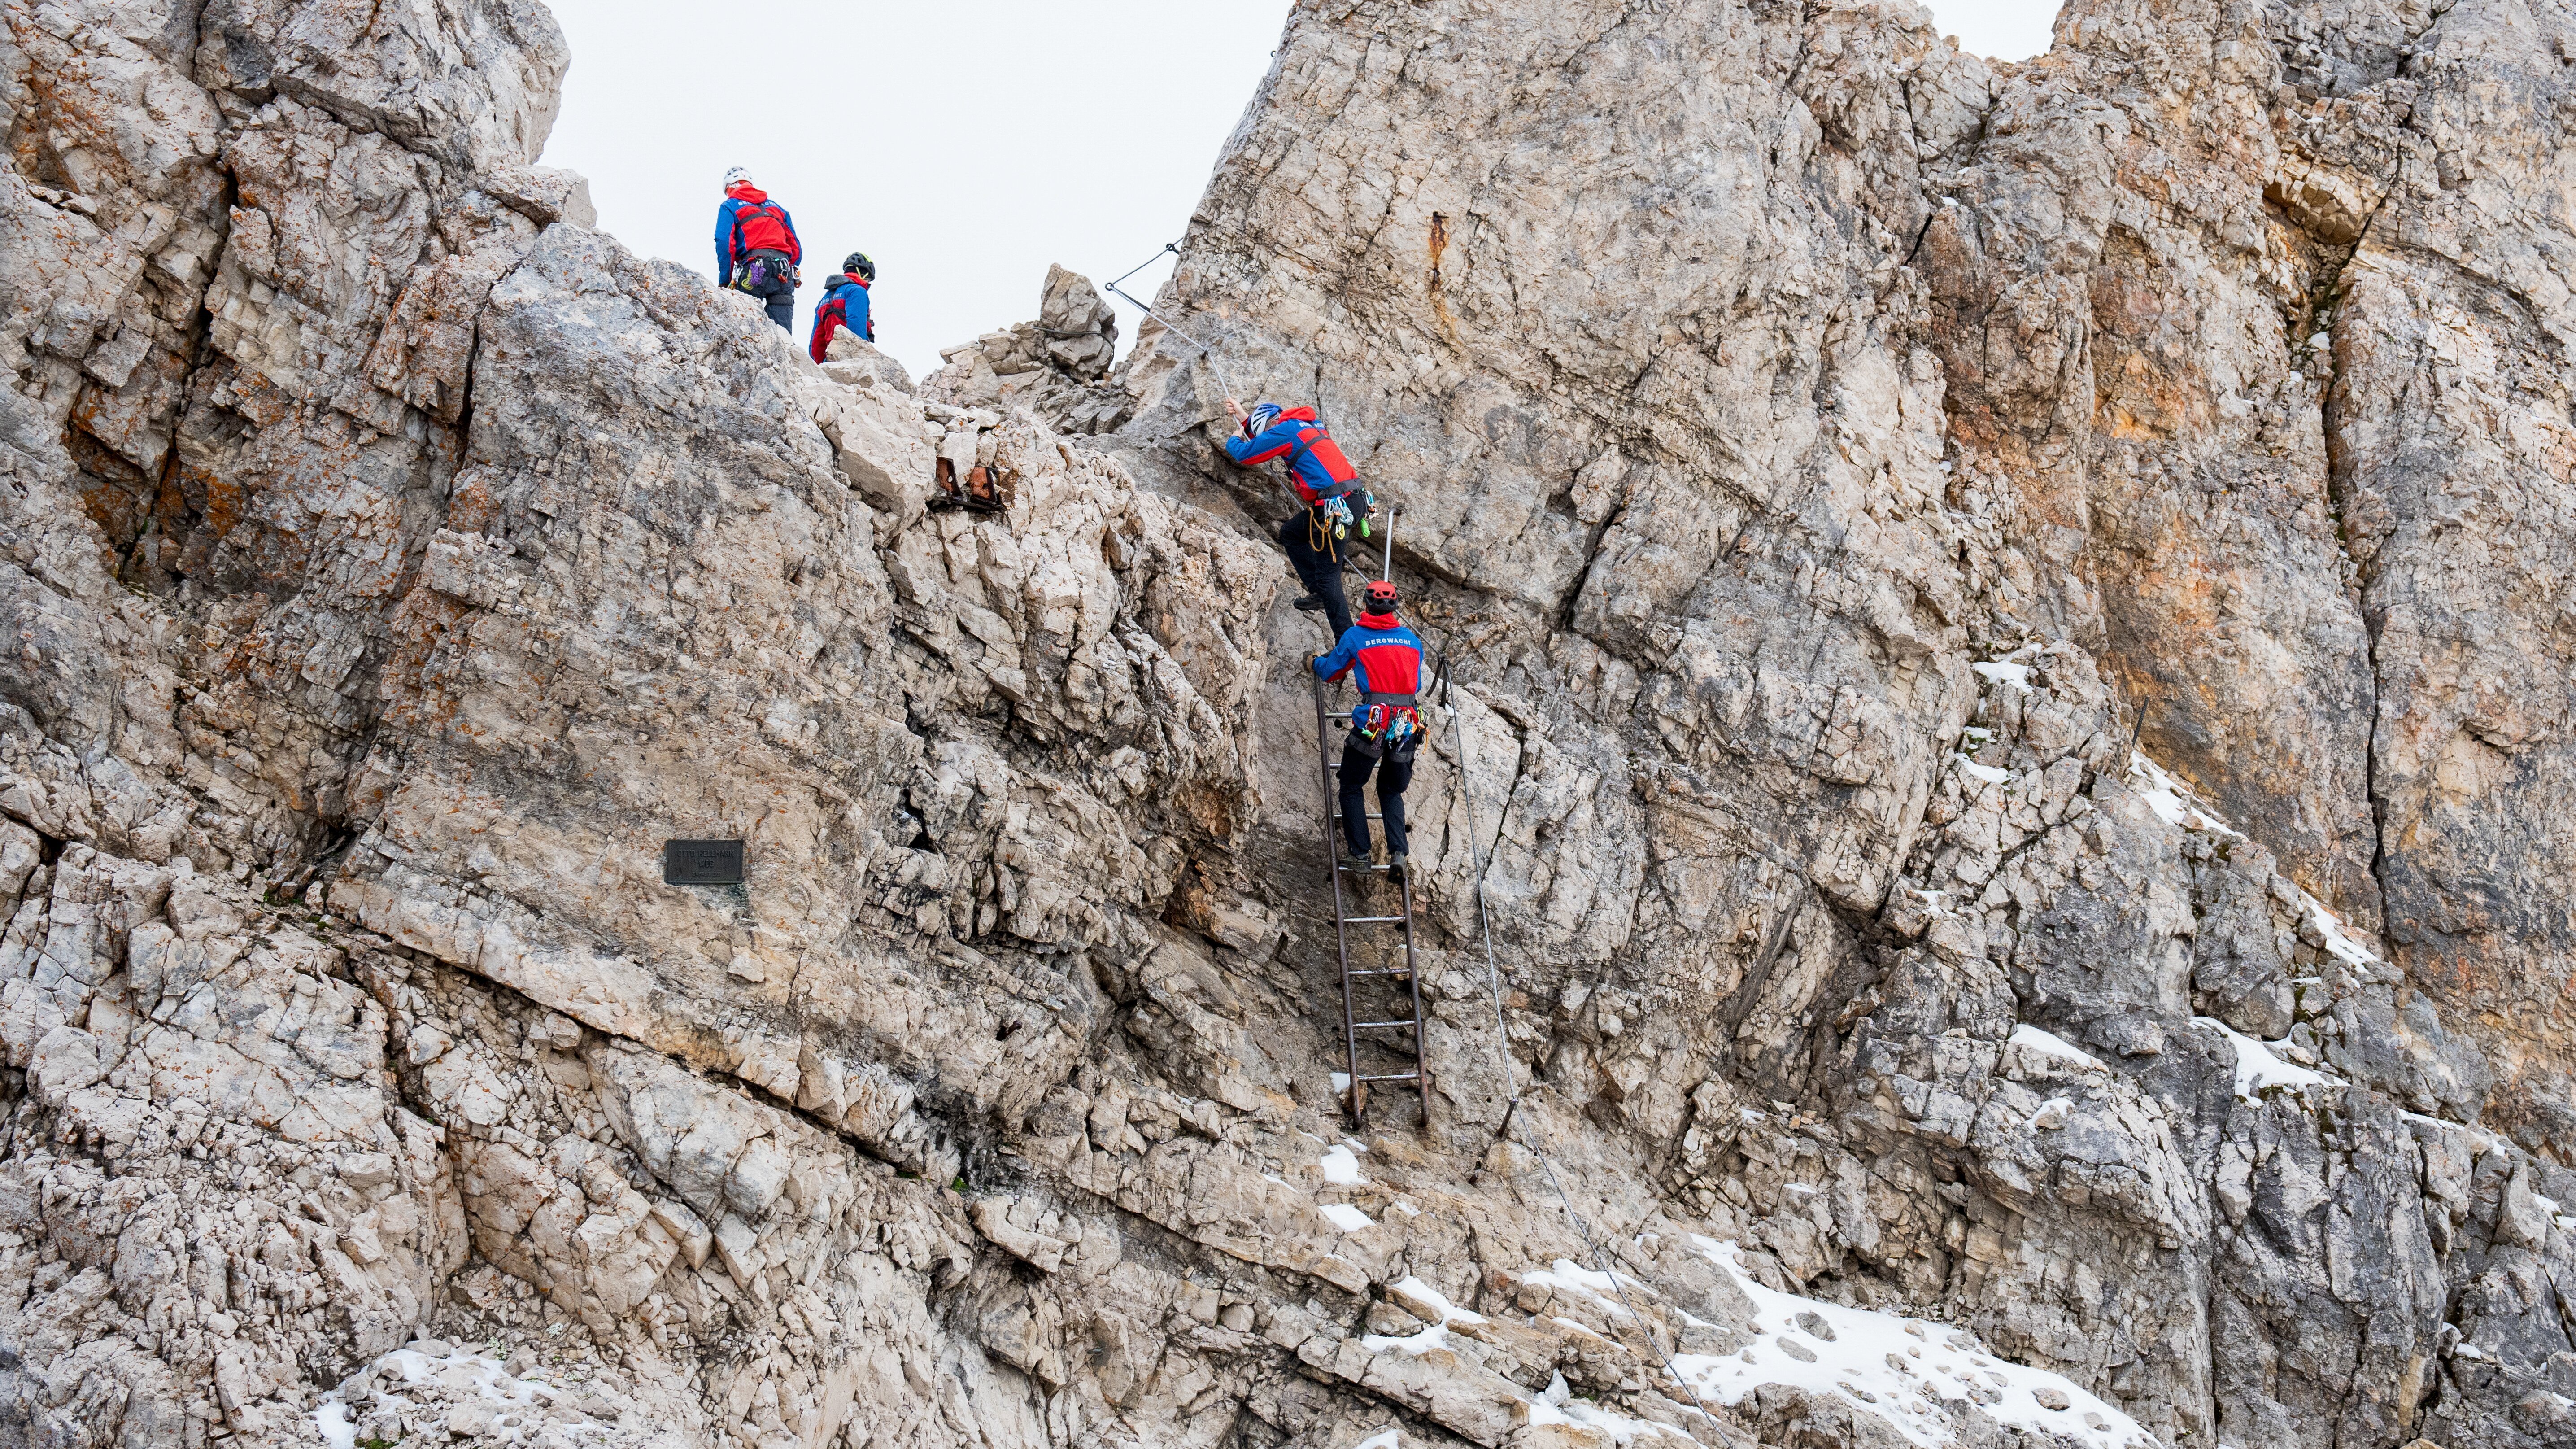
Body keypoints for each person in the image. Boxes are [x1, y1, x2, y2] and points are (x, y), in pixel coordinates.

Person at [1223, 397, 1371, 638]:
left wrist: (1234, 439)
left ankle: (1345, 642)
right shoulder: (1308, 425)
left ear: (1272, 425)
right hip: (1351, 500)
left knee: (1329, 578)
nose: (1269, 437)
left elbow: (1245, 454)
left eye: (1266, 433)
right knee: (1291, 533)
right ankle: (1319, 592)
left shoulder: (1285, 431)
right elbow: (1270, 439)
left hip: (1334, 507)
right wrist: (1244, 417)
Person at [1312, 580, 1426, 877]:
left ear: (1365, 604)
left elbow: (1331, 672)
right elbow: (1416, 684)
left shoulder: (1355, 637)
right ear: (1395, 607)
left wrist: (1314, 662)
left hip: (1372, 725)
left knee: (1352, 785)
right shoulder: (1411, 640)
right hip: (1406, 725)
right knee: (1390, 789)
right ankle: (1398, 854)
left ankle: (1360, 855)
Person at [713, 167, 802, 330]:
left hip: (754, 268)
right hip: (783, 270)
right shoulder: (778, 208)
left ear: (729, 188)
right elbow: (795, 247)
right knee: (782, 332)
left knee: (747, 327)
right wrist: (790, 267)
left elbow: (724, 242)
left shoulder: (730, 205)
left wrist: (725, 280)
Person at [808, 253, 876, 363]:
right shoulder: (857, 291)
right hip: (851, 359)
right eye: (868, 279)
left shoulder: (824, 299)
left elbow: (816, 341)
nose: (868, 283)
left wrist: (819, 367)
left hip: (830, 361)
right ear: (863, 274)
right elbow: (856, 324)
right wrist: (860, 359)